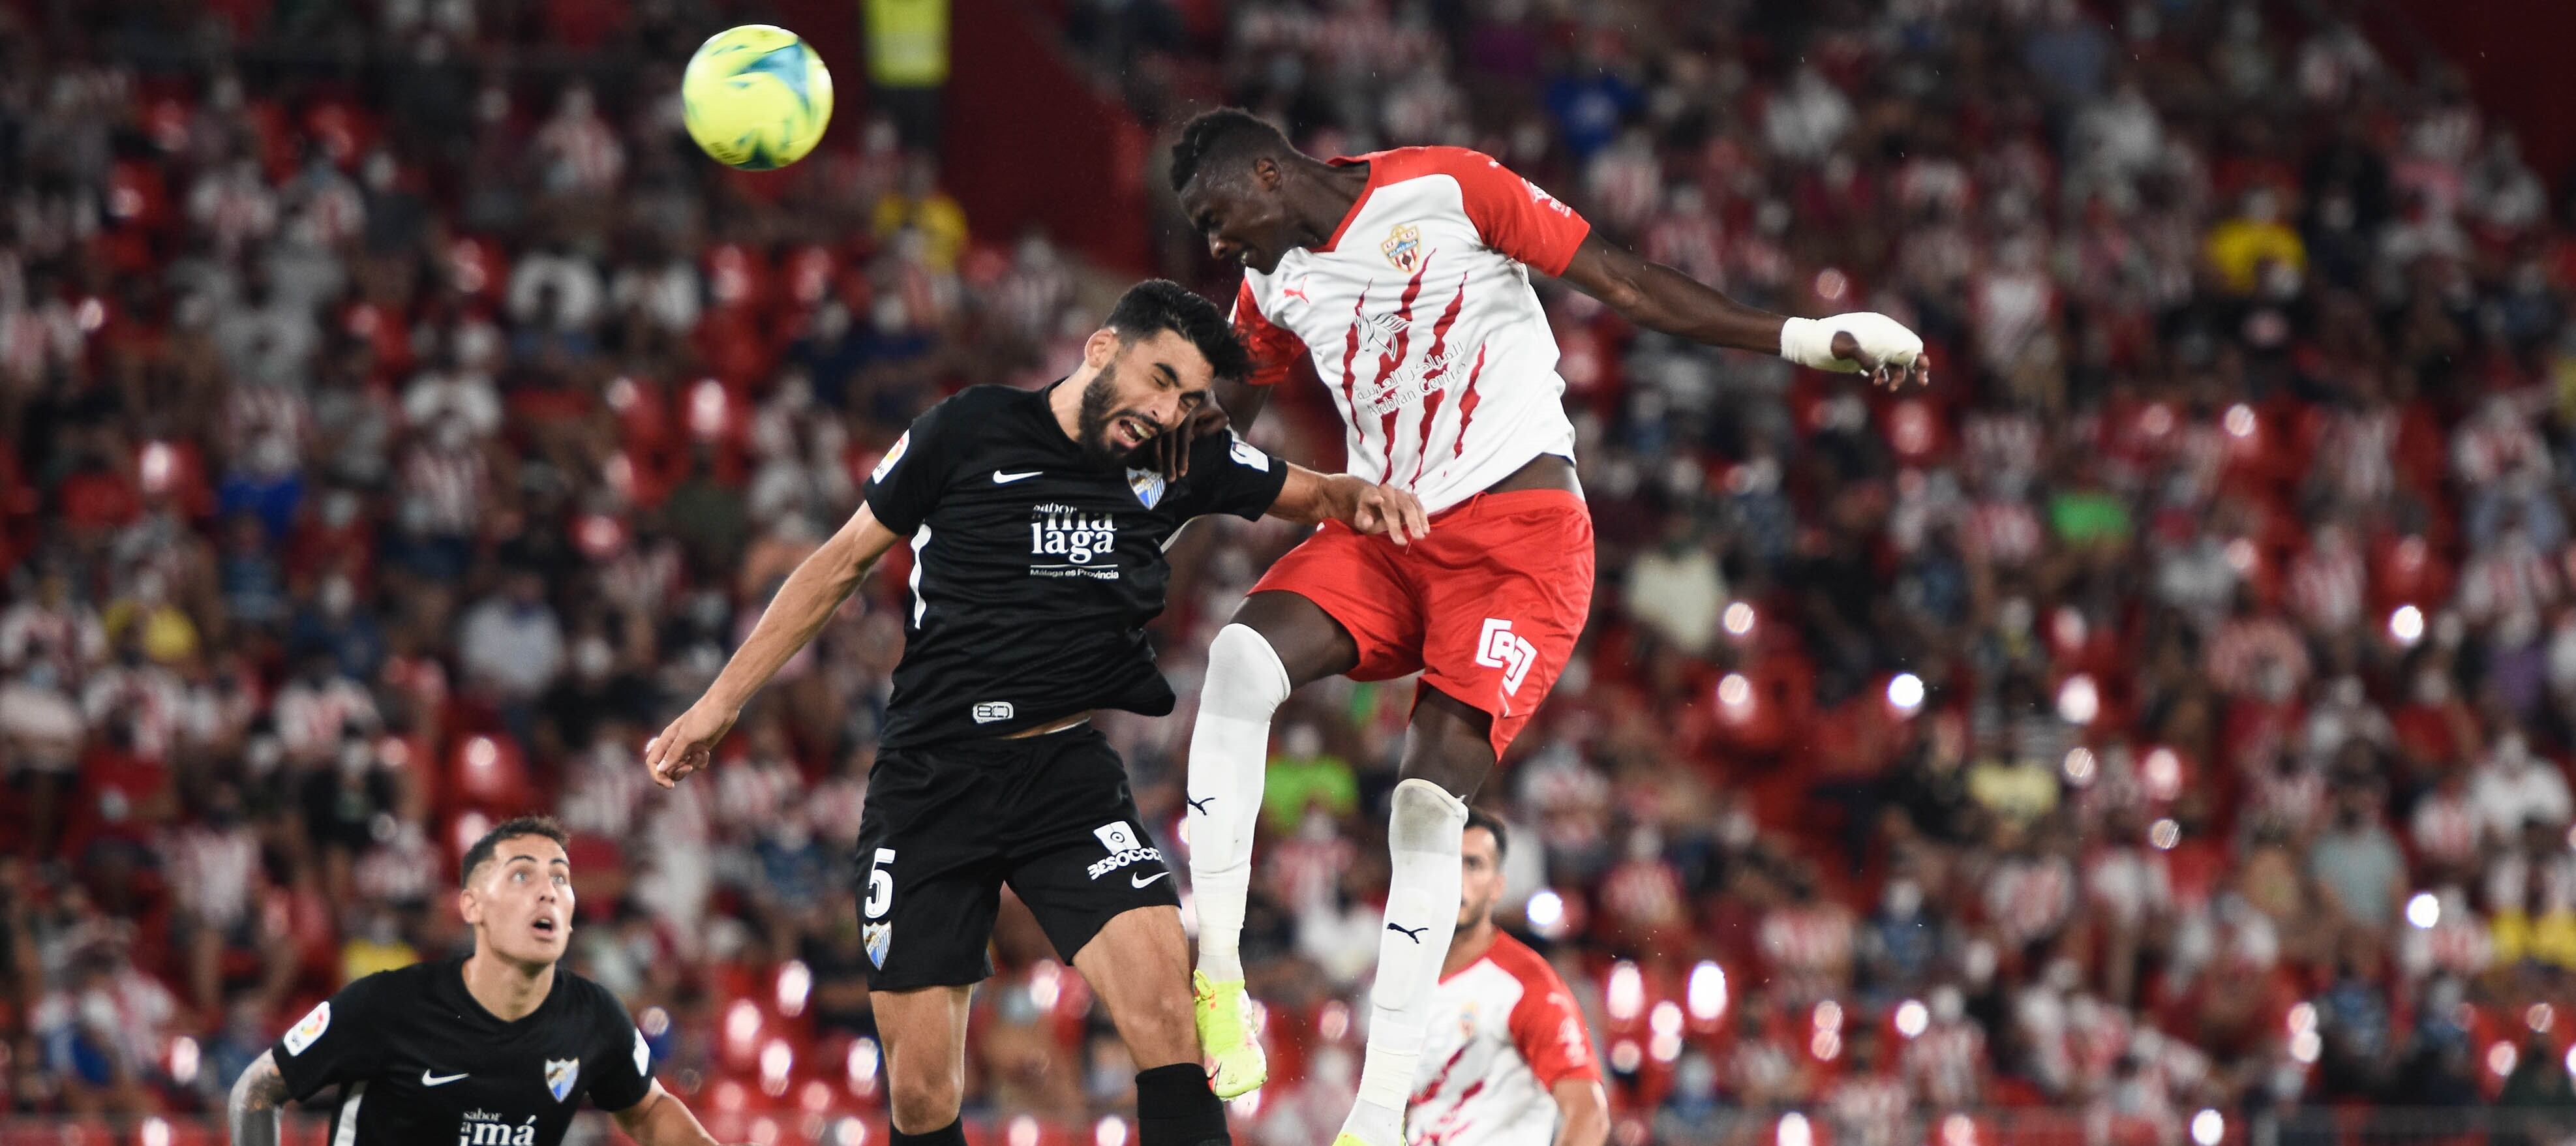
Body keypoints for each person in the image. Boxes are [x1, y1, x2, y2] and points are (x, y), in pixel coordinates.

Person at [1162, 107, 1931, 1146]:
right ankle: (1217, 980)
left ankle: (1376, 1120)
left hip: (1520, 539)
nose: (1216, 247)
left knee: (1427, 800)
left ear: (1265, 172)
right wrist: (1127, 546)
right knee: (1239, 662)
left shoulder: (1447, 189)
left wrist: (1804, 340)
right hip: (1390, 526)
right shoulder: (1270, 287)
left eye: (1216, 217)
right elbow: (1224, 446)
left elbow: (1620, 279)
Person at [642, 279, 1427, 1146]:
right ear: (1100, 349)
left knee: (1170, 1022)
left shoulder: (1182, 459)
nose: (1167, 411)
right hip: (930, 777)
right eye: (1158, 378)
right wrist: (717, 706)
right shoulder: (966, 429)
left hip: (1064, 777)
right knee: (923, 1093)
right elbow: (837, 566)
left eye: (1188, 397)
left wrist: (1372, 499)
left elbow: (1321, 496)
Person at [224, 816, 733, 1146]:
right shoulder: (389, 1003)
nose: (548, 892)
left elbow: (648, 1110)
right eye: (522, 876)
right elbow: (257, 1088)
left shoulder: (593, 1018)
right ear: (472, 906)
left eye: (560, 877)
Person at [1405, 811, 1606, 1146]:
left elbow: (1589, 1114)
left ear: (1498, 885)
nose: (1457, 879)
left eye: (1473, 865)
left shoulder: (1526, 984)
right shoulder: (1403, 979)